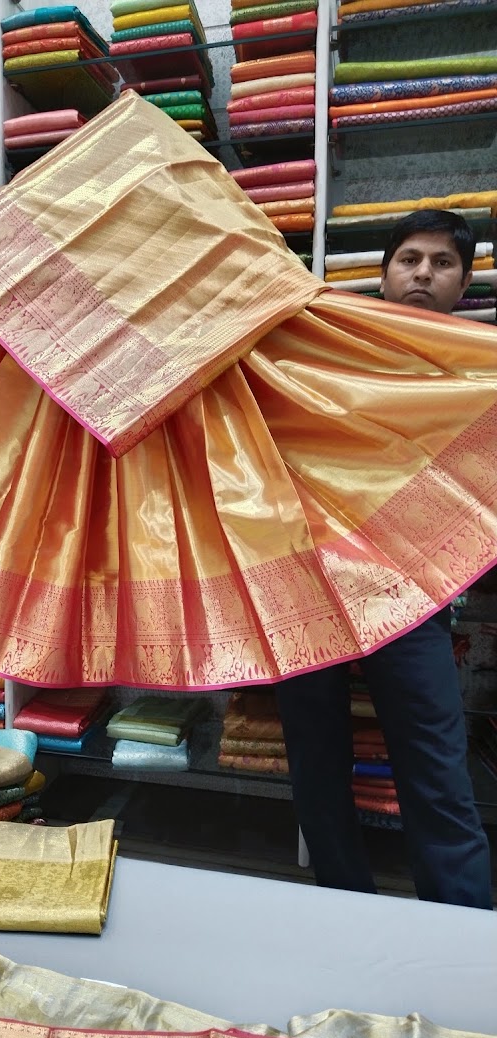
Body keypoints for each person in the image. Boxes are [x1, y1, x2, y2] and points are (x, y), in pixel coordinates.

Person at [276, 209, 493, 910]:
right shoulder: (330, 345)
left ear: (465, 281)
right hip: (306, 582)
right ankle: (346, 910)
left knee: (437, 771)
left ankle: (460, 928)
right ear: (384, 272)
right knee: (315, 763)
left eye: (442, 262)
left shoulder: (477, 369)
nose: (423, 273)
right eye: (409, 259)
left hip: (410, 593)